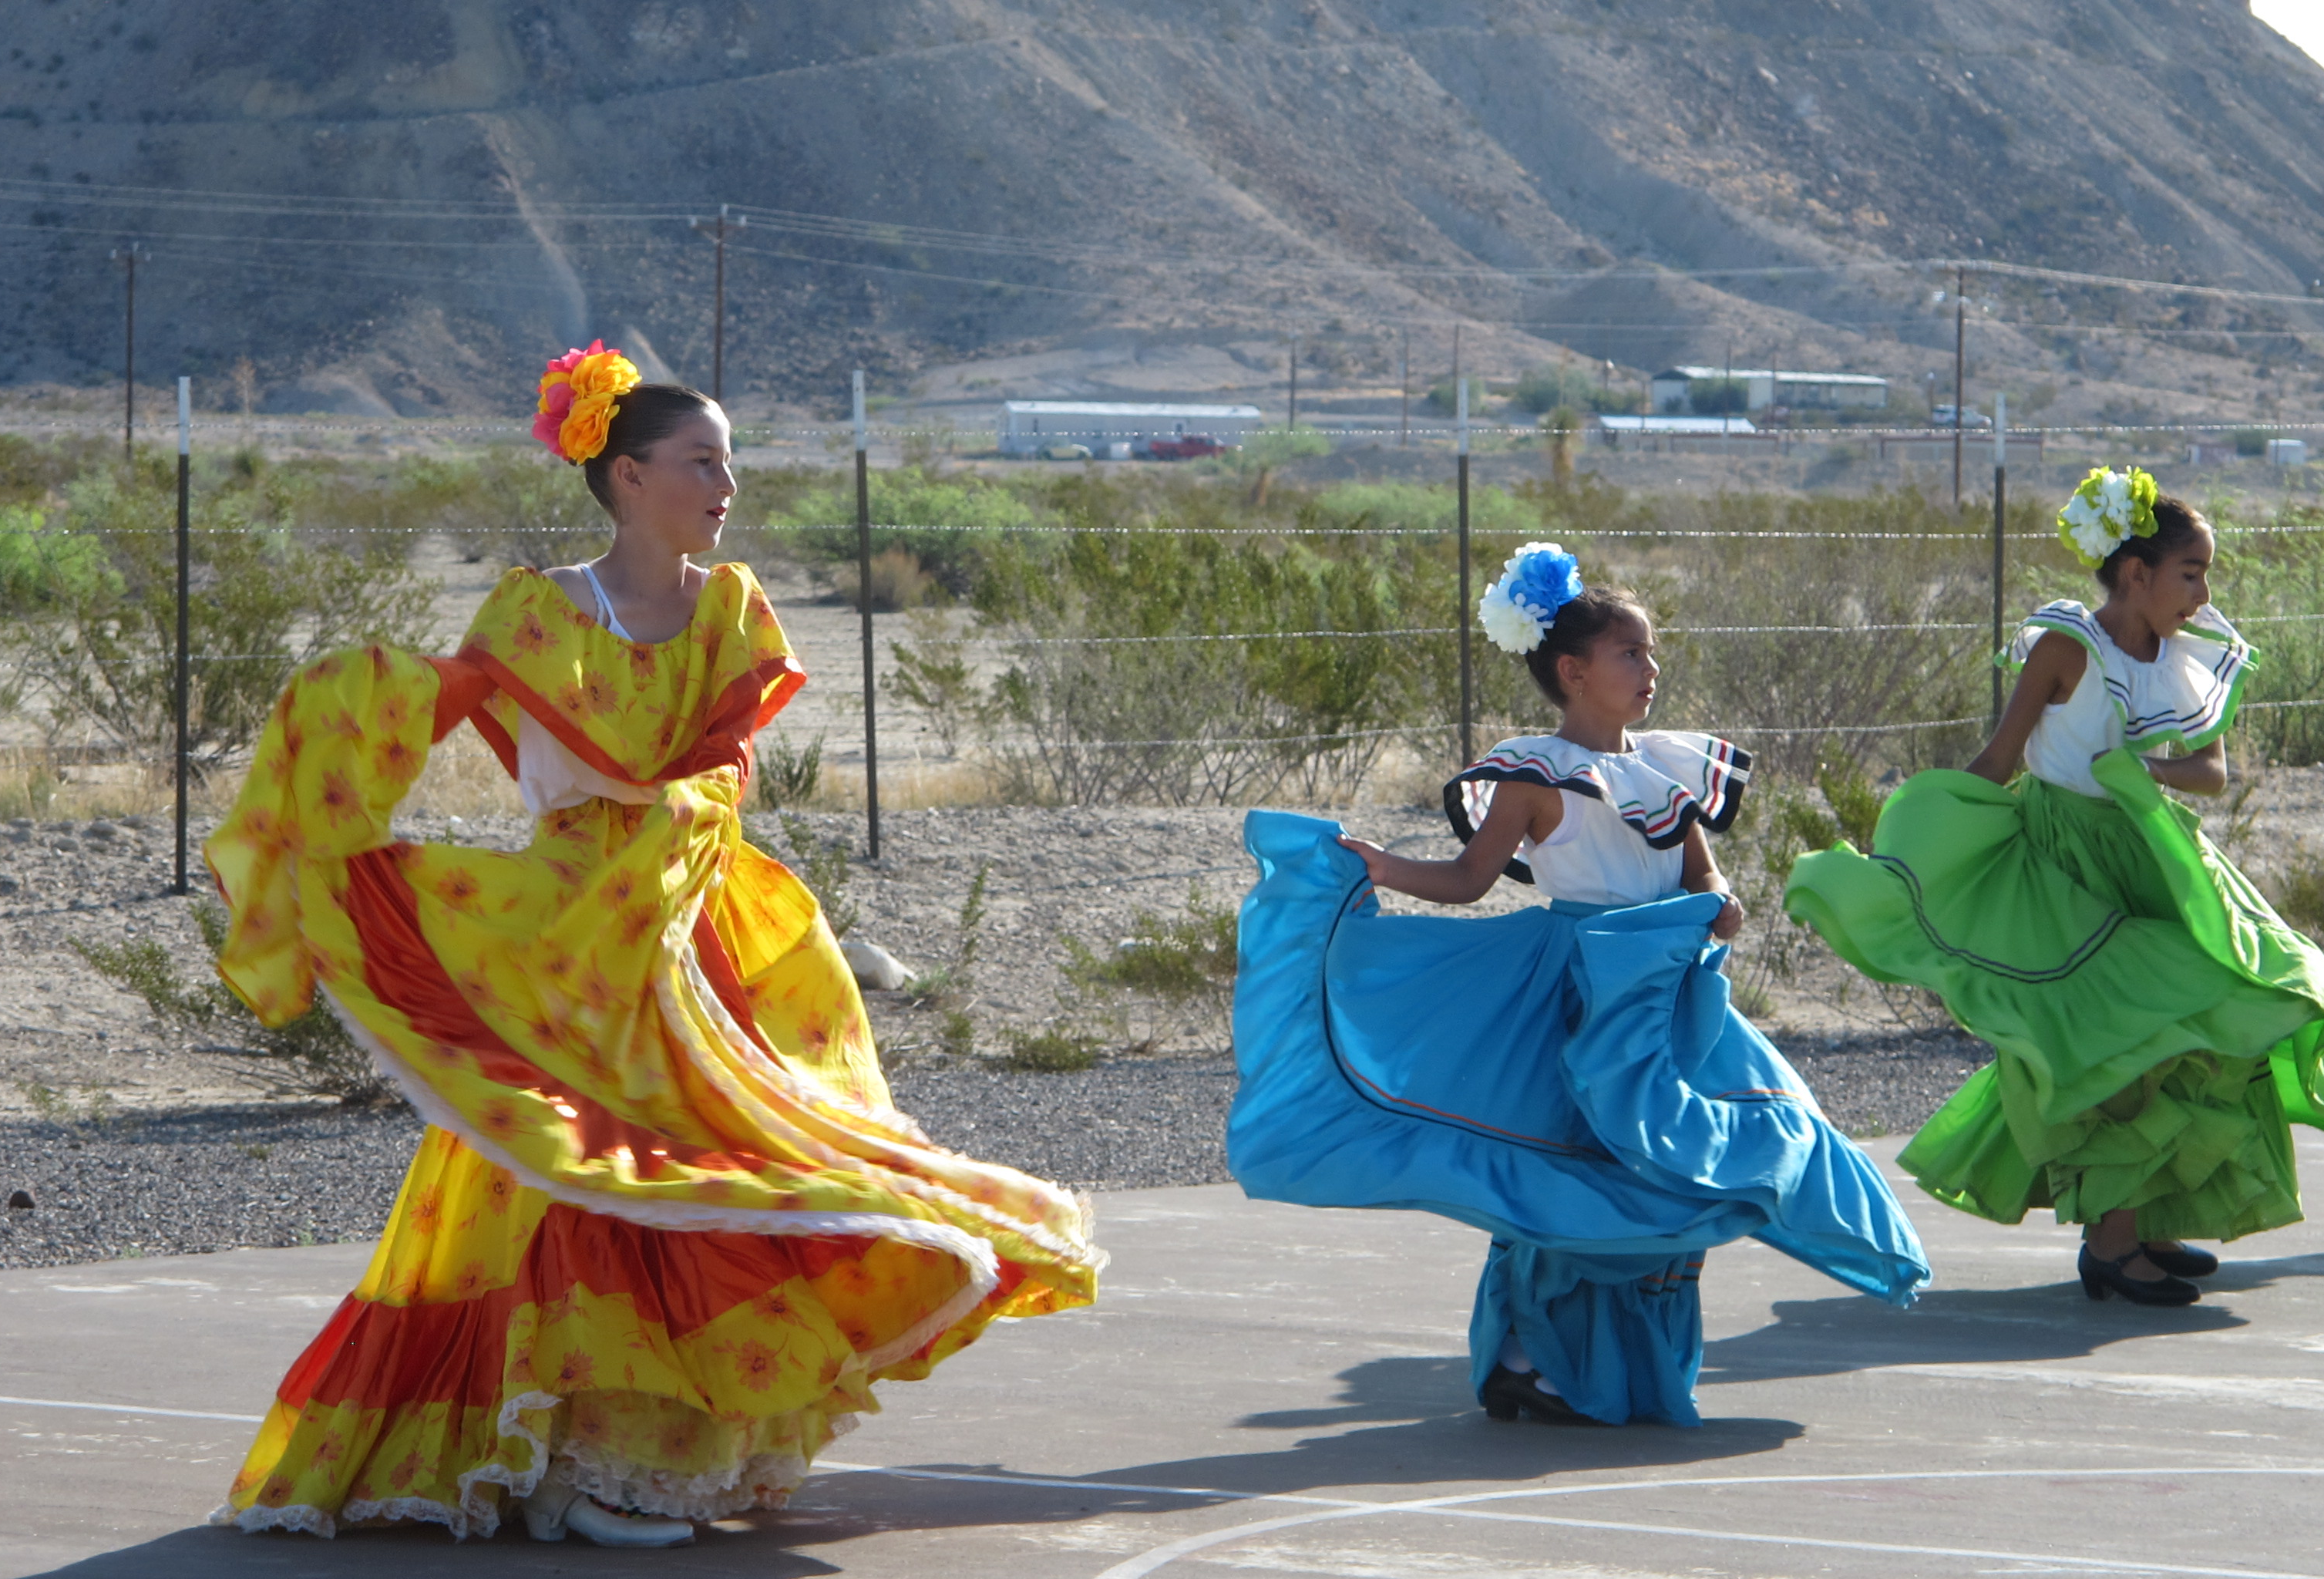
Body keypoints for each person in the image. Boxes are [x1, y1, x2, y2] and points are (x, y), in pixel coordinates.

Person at [208, 344, 1101, 1547]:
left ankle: (662, 1454)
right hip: (572, 939)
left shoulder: (732, 611)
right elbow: (448, 713)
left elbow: (718, 773)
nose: (726, 482)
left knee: (717, 1177)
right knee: (579, 1183)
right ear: (628, 476)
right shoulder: (537, 614)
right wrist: (334, 727)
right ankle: (579, 1463)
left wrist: (657, 829)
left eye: (729, 462)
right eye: (702, 460)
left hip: (696, 937)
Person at [1229, 543, 1929, 1428]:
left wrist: (1720, 909)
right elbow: (1468, 879)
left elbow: (1701, 878)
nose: (1650, 668)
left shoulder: (1668, 770)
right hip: (1577, 993)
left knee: (1723, 1151)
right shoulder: (1532, 774)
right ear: (1573, 671)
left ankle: (1575, 1361)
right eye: (1630, 652)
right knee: (1575, 1170)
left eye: (1651, 651)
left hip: (1664, 994)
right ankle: (1534, 1359)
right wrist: (1382, 868)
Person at [1785, 470, 2324, 1306]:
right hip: (2061, 869)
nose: (2203, 591)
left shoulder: (2185, 657)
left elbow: (2212, 772)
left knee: (2225, 1000)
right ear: (2135, 572)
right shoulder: (2067, 647)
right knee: (2113, 1039)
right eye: (2190, 572)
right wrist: (1927, 846)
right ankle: (2110, 1243)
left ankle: (2141, 1224)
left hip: (2148, 857)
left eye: (2205, 573)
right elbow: (1999, 760)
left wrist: (2144, 768)